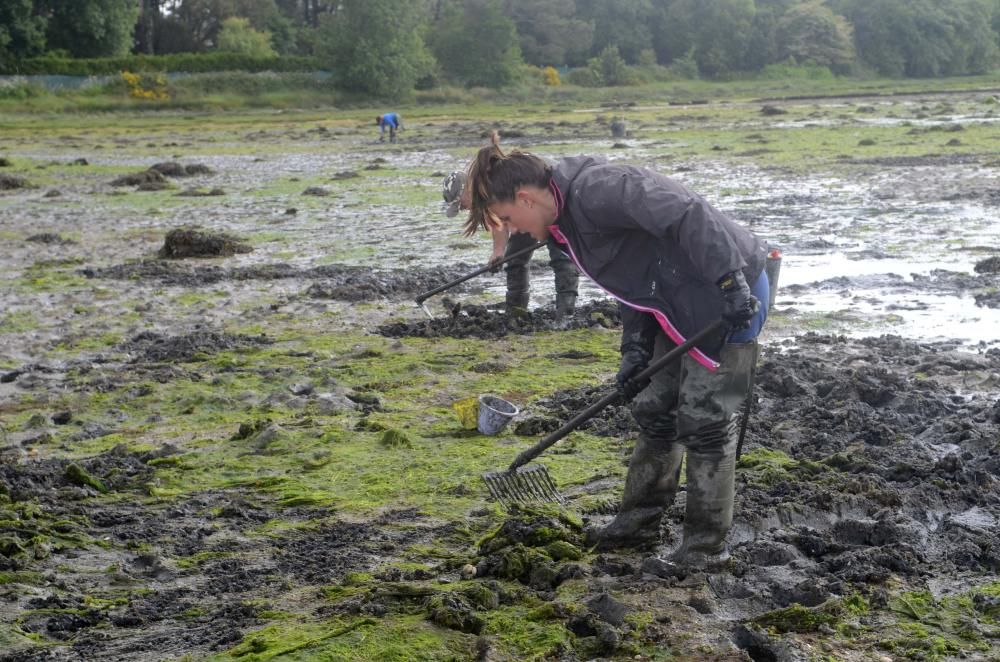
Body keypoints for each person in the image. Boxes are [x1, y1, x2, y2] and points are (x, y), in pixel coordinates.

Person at [464, 144, 769, 575]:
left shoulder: (599, 190)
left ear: (526, 199)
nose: (520, 234)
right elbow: (635, 280)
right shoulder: (565, 225)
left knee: (705, 421)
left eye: (510, 221)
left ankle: (704, 553)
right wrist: (636, 351)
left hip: (730, 291)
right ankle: (636, 526)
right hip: (674, 299)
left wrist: (730, 282)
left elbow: (687, 211)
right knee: (654, 409)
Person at [443, 168, 579, 317]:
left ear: (468, 189)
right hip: (522, 216)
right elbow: (498, 221)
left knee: (561, 257)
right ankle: (516, 313)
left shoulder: (499, 180)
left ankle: (565, 315)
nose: (463, 209)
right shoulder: (482, 197)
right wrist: (498, 252)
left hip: (551, 206)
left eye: (460, 204)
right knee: (514, 260)